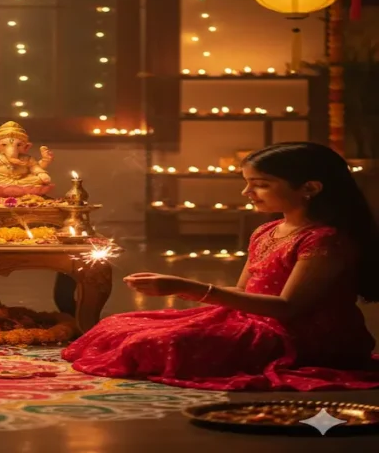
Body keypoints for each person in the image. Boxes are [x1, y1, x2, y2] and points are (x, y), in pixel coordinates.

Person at [63, 142, 379, 391]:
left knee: (150, 343)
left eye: (261, 184)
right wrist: (183, 289)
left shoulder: (326, 240)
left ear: (309, 188)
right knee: (118, 326)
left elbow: (288, 308)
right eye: (247, 183)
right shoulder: (266, 231)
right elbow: (241, 292)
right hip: (250, 320)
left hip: (297, 337)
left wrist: (187, 288)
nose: (246, 192)